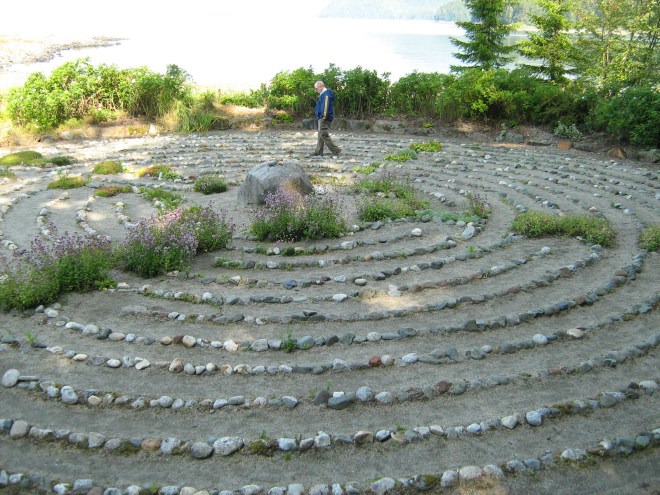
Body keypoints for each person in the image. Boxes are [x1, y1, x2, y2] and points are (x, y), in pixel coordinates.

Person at [311, 80, 341, 157]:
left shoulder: (326, 95)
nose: (316, 90)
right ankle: (318, 151)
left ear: (321, 86)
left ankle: (335, 150)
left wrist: (323, 117)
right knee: (320, 134)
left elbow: (325, 108)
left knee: (323, 134)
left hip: (324, 117)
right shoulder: (323, 94)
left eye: (316, 88)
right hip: (321, 117)